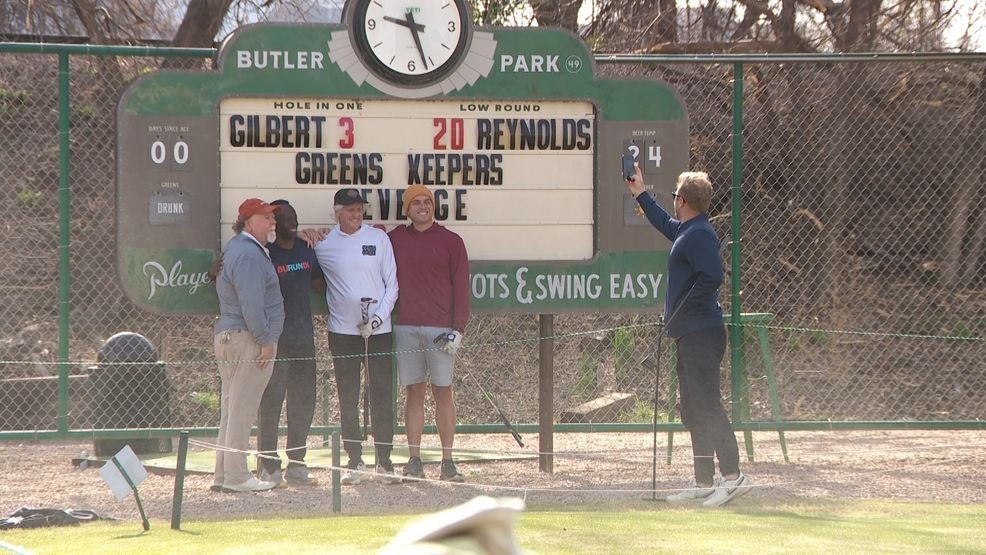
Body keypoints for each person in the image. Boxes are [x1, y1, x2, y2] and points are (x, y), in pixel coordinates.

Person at [624, 165, 750, 508]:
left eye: (676, 195)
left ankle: (733, 476)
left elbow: (712, 276)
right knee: (693, 408)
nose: (674, 201)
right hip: (689, 333)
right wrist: (641, 193)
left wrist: (681, 308)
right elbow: (666, 224)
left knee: (707, 404)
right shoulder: (688, 229)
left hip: (701, 332)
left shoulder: (700, 234)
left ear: (682, 199)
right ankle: (704, 481)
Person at [313, 188, 400, 485]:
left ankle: (385, 461)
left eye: (359, 208)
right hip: (343, 332)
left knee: (381, 393)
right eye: (350, 209)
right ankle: (354, 460)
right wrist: (305, 234)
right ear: (337, 212)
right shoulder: (324, 244)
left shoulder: (378, 239)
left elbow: (393, 285)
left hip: (379, 331)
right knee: (347, 396)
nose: (356, 213)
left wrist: (377, 318)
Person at [388, 184, 470, 482]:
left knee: (443, 392)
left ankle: (448, 461)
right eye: (416, 203)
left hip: (441, 330)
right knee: (413, 392)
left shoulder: (451, 241)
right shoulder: (394, 239)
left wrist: (458, 329)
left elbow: (461, 288)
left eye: (427, 202)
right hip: (407, 326)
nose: (422, 207)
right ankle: (414, 458)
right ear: (407, 209)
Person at [212, 198, 284, 493]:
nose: (272, 222)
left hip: (233, 335)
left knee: (232, 409)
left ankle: (224, 474)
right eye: (266, 217)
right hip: (247, 338)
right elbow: (252, 304)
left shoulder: (239, 250)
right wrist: (265, 340)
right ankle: (237, 476)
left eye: (272, 217)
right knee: (241, 410)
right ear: (248, 222)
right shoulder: (249, 254)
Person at [254, 200, 325, 487]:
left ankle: (297, 463)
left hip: (303, 339)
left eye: (294, 217)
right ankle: (268, 465)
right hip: (275, 342)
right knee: (271, 403)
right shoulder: (265, 255)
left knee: (303, 402)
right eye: (284, 219)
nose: (291, 222)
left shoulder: (305, 250)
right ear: (273, 224)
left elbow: (319, 282)